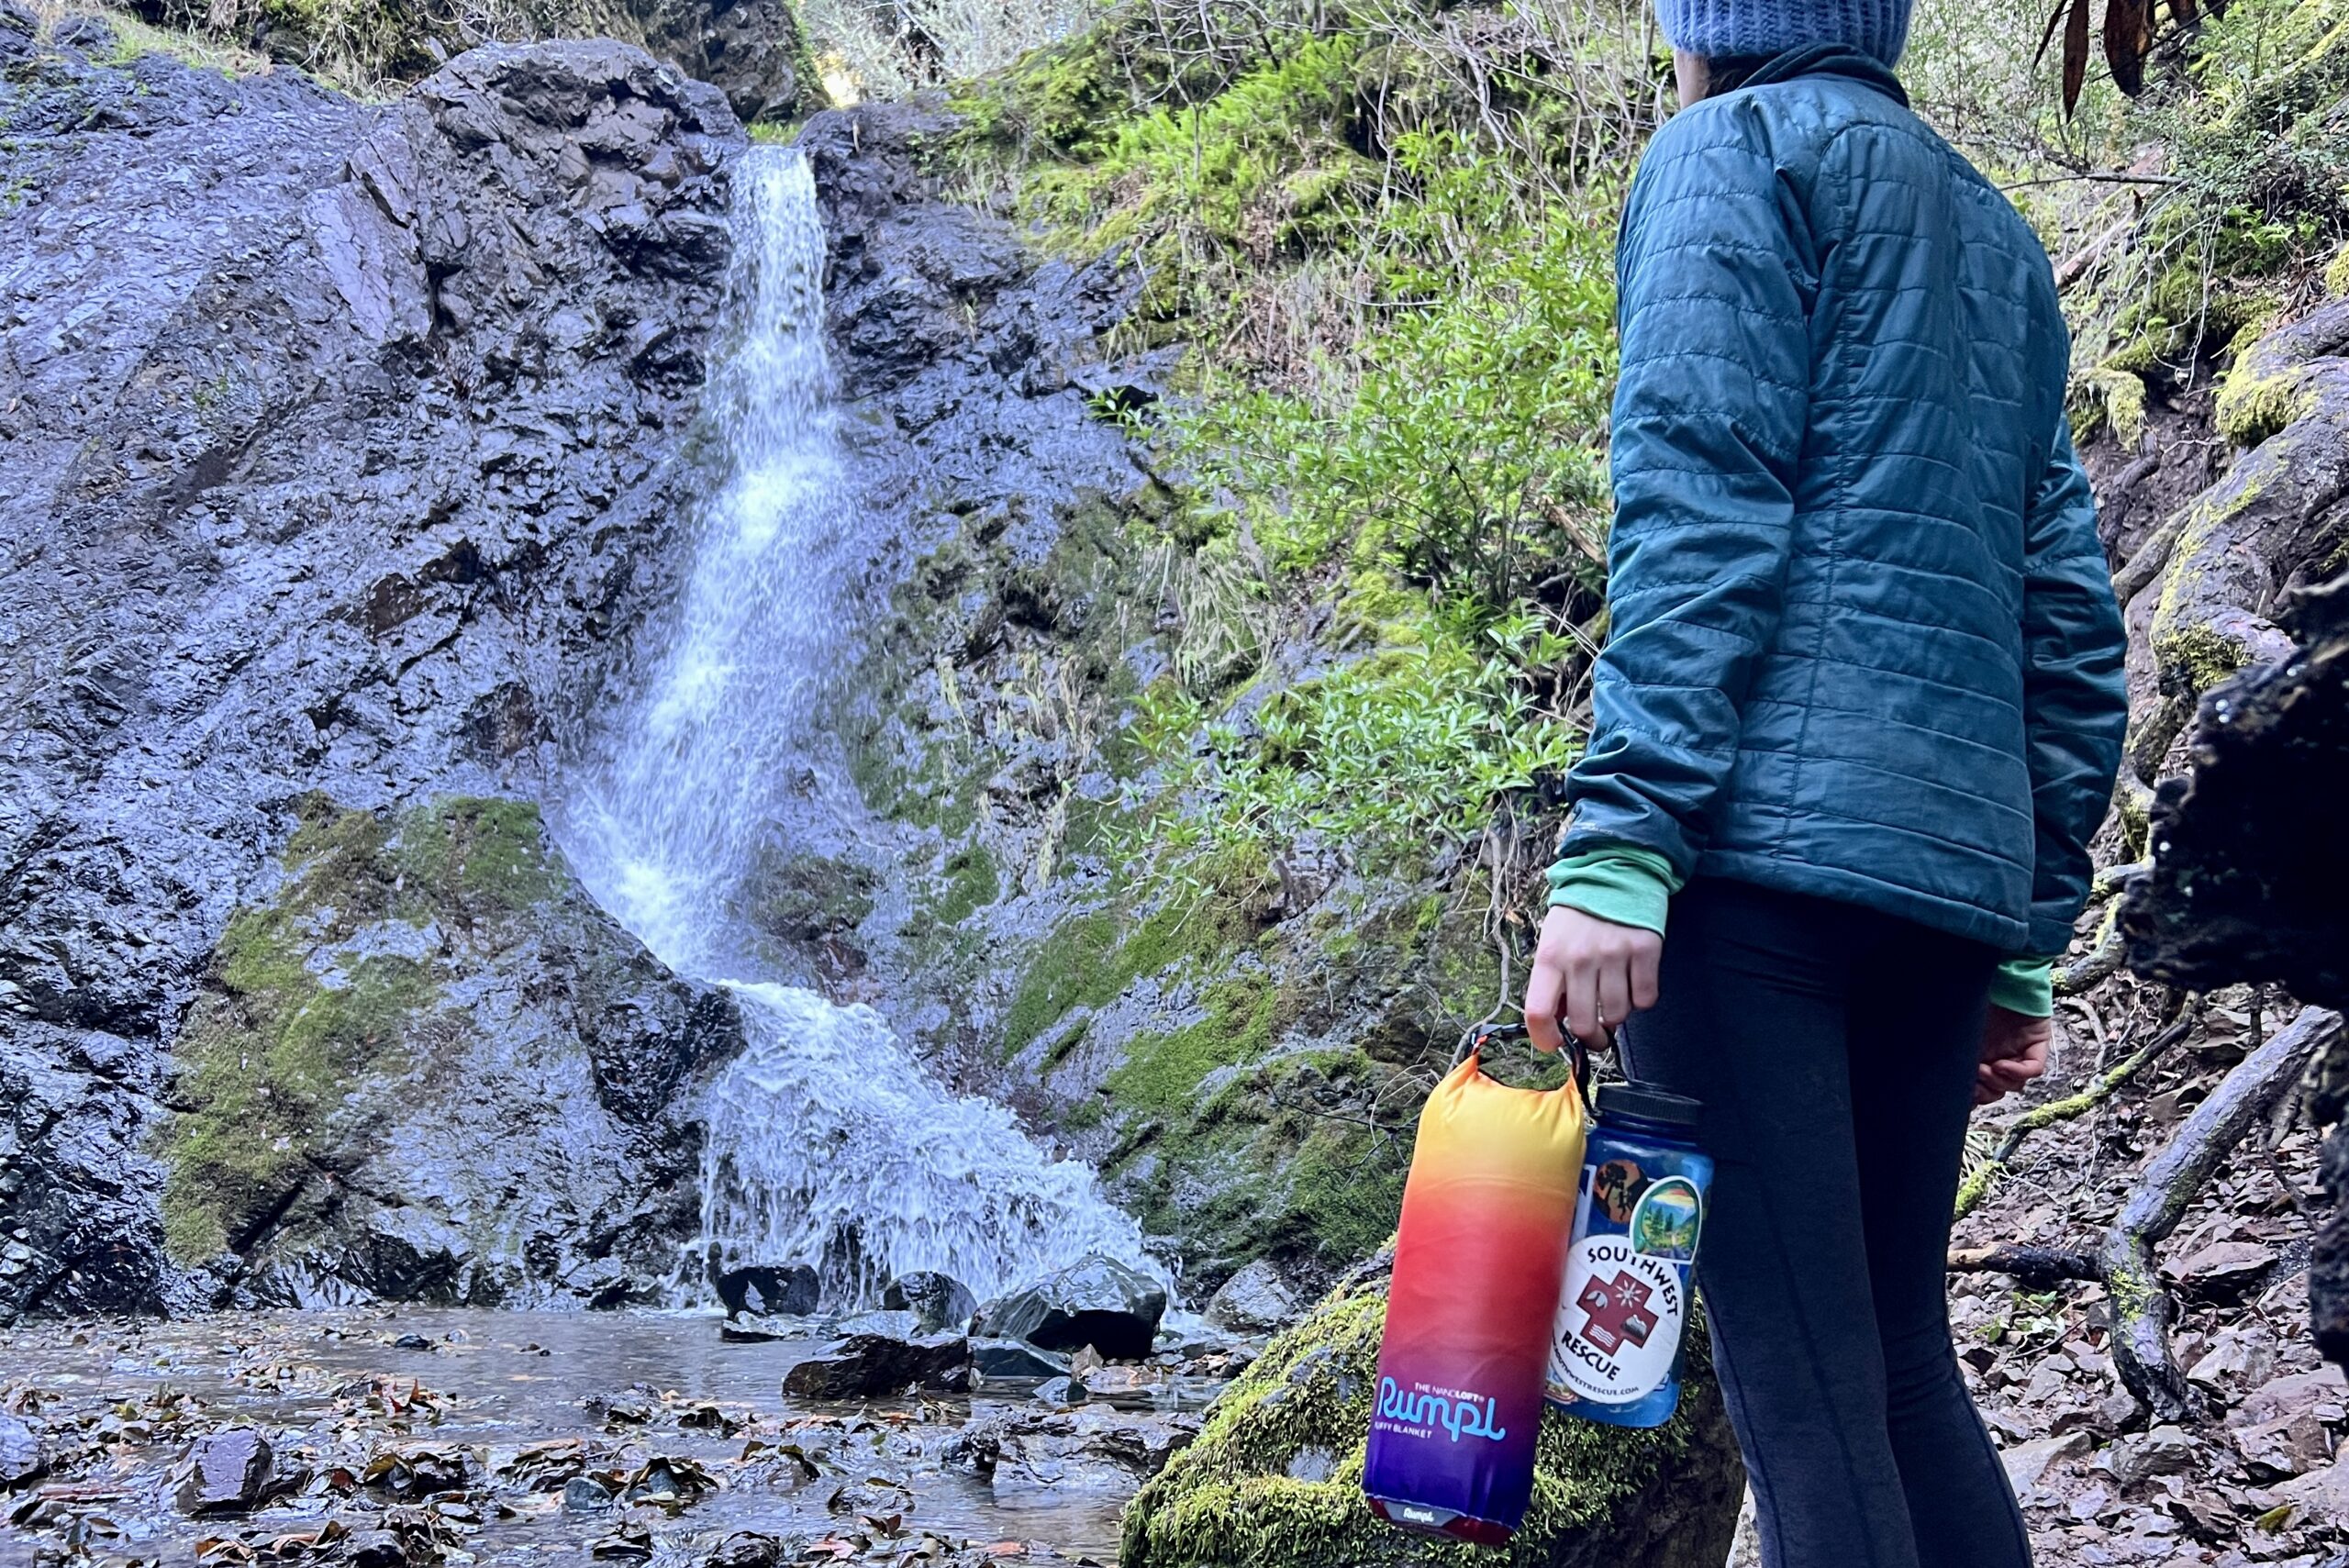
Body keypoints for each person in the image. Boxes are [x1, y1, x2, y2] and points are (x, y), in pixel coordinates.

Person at [1518, 4, 2131, 1565]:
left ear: (1712, 26)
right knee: (1901, 1375)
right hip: (1942, 883)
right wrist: (2023, 926)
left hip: (1758, 893)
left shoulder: (1727, 153)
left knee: (1807, 1412)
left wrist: (1620, 842)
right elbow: (2069, 613)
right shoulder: (1988, 230)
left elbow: (1697, 500)